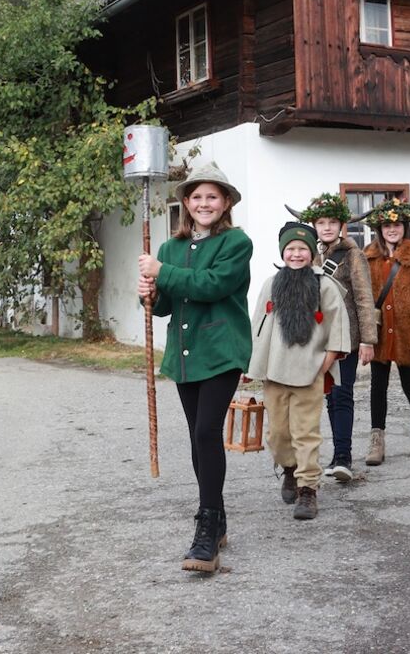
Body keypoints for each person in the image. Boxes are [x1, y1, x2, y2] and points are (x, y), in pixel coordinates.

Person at [138, 162, 254, 574]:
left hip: (221, 349)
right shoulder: (169, 248)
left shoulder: (236, 243)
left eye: (213, 196)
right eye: (197, 196)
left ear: (225, 203)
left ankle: (206, 528)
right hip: (185, 354)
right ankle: (217, 517)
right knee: (196, 438)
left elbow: (211, 286)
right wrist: (148, 292)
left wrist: (162, 272)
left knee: (207, 432)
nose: (204, 203)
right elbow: (169, 305)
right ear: (185, 202)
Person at [247, 222, 350, 520]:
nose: (296, 254)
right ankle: (289, 470)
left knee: (306, 433)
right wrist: (250, 364)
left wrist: (325, 365)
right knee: (278, 435)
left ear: (311, 252)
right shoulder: (271, 284)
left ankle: (308, 489)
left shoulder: (325, 286)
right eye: (290, 249)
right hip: (274, 371)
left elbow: (337, 329)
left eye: (302, 249)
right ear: (283, 251)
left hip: (310, 371)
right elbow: (258, 328)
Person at [289, 192, 377, 483]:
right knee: (324, 396)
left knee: (342, 395)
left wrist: (368, 340)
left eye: (332, 222)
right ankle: (323, 457)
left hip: (347, 338)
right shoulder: (306, 254)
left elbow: (364, 298)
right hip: (316, 338)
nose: (326, 227)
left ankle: (343, 457)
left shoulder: (353, 255)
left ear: (342, 225)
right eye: (321, 222)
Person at [362, 199, 410, 464]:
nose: (391, 229)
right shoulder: (369, 256)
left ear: (405, 226)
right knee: (377, 386)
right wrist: (364, 336)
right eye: (386, 225)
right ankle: (376, 441)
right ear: (379, 228)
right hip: (380, 332)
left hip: (405, 332)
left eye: (396, 224)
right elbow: (363, 298)